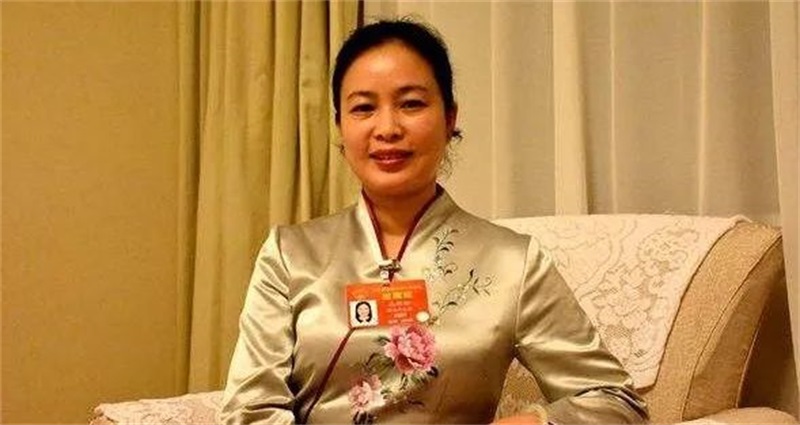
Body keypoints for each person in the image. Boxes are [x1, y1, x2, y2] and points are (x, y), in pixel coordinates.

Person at [220, 18, 649, 425]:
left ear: (450, 118)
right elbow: (250, 410)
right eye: (363, 108)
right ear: (340, 126)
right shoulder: (289, 255)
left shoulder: (513, 263)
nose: (387, 128)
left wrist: (530, 422)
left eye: (411, 104)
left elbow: (615, 402)